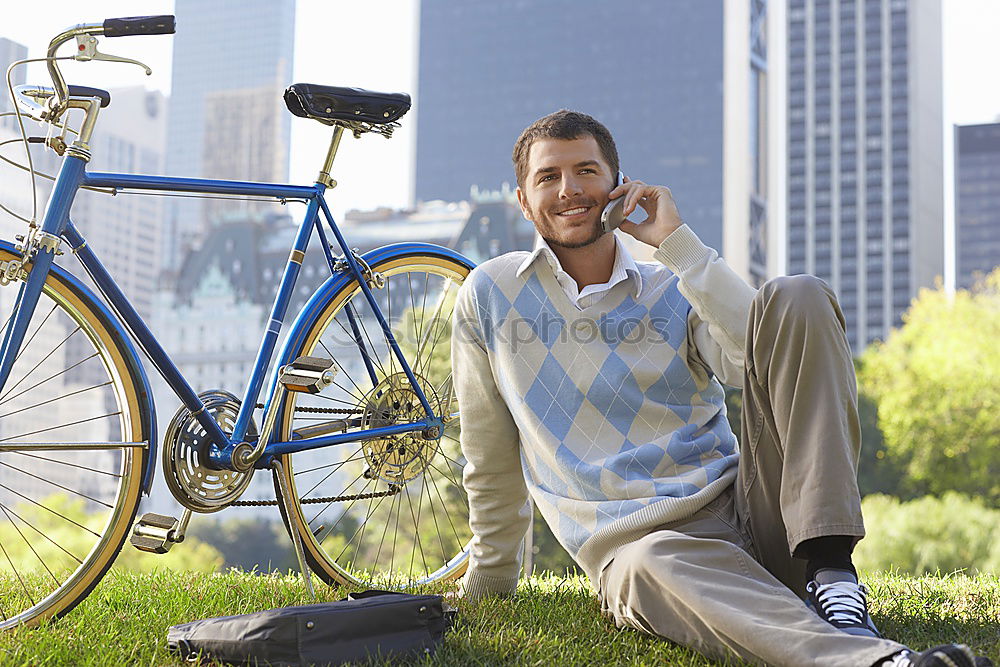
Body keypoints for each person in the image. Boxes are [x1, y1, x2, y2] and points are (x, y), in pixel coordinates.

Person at [450, 109, 993, 667]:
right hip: (644, 550)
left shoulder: (675, 285)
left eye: (586, 170)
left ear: (618, 184)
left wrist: (678, 246)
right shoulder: (490, 295)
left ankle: (831, 572)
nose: (570, 190)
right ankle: (882, 664)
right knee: (643, 565)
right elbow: (489, 457)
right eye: (549, 177)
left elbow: (752, 358)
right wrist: (490, 581)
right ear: (522, 198)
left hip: (760, 513)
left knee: (798, 294)